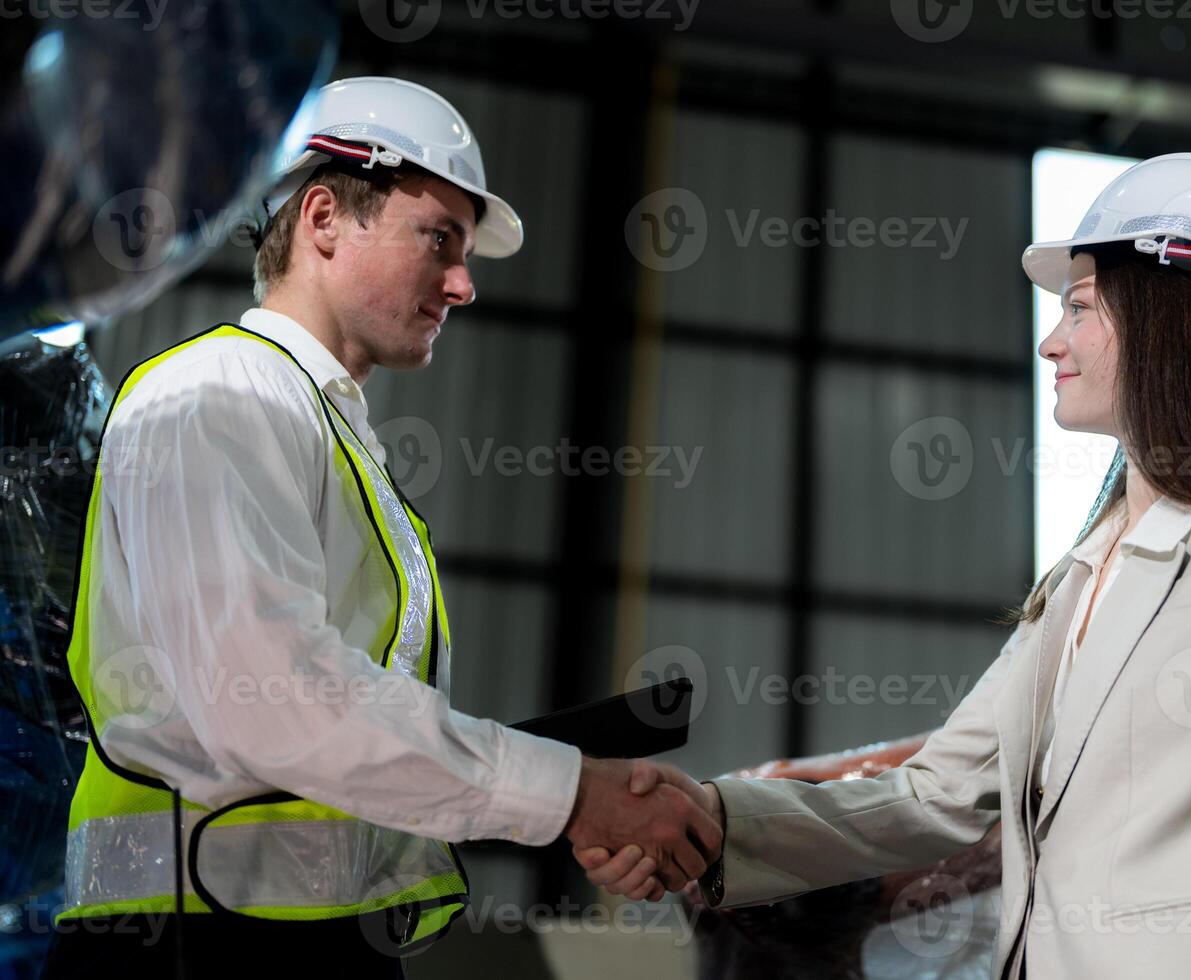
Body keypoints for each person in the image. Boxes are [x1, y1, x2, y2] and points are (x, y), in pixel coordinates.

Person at [577, 153, 1191, 978]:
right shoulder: (1088, 566)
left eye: (1078, 308)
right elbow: (936, 792)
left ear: (1169, 311)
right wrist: (715, 819)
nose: (1051, 342)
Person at [41, 76, 719, 979]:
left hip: (300, 941)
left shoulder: (325, 428)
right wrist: (569, 795)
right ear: (323, 217)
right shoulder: (217, 396)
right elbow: (276, 700)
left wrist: (570, 787)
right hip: (190, 946)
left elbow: (338, 727)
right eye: (438, 239)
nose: (465, 283)